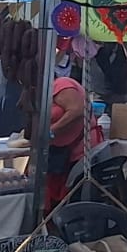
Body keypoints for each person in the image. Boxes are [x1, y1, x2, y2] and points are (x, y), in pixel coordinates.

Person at [46, 70, 88, 212]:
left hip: (78, 150)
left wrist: (51, 130)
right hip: (63, 151)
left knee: (72, 195)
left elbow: (77, 109)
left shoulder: (61, 84)